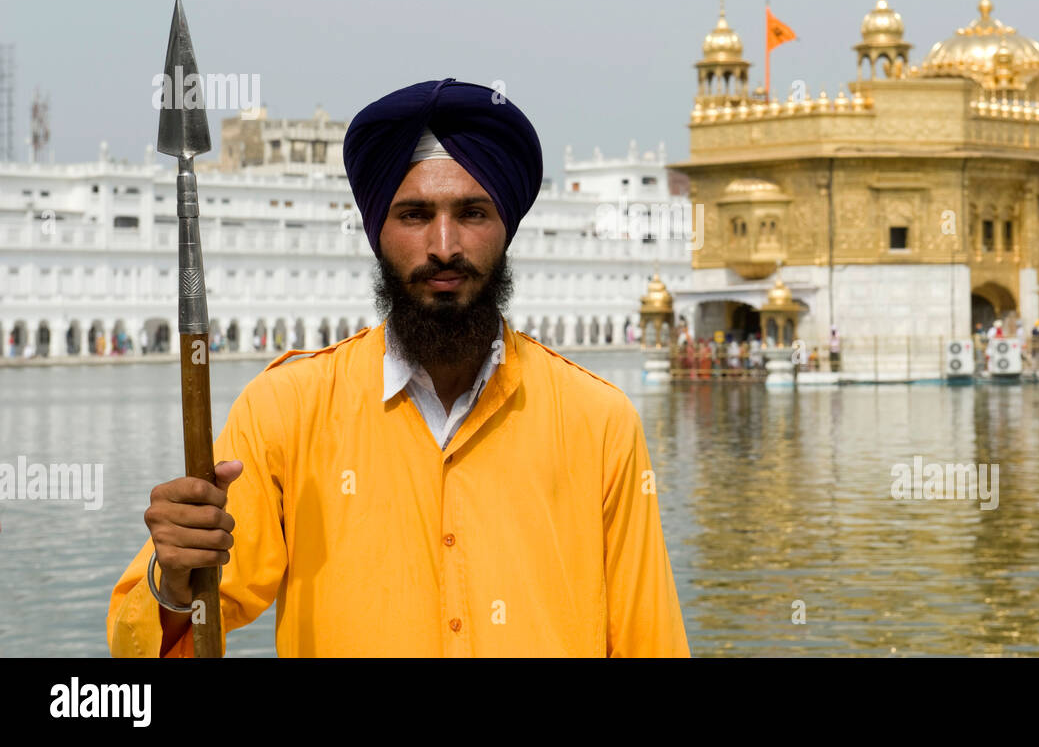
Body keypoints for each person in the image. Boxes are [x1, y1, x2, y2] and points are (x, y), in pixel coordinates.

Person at [107, 78, 688, 657]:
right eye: (414, 214)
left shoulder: (597, 422)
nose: (443, 245)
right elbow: (149, 642)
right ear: (377, 235)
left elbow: (649, 639)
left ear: (505, 229)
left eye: (472, 212)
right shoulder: (287, 411)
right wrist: (175, 577)